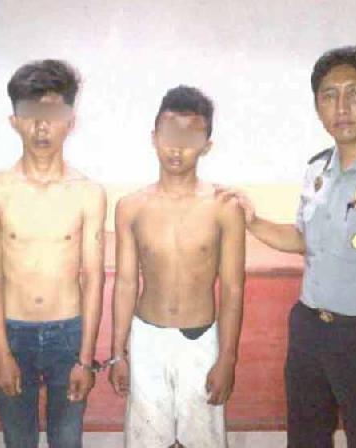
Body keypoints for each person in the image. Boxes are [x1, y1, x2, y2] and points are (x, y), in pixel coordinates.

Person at [228, 46, 356, 447]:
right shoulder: (318, 169)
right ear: (317, 105)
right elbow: (304, 240)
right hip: (309, 328)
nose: (341, 107)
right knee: (305, 439)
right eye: (329, 95)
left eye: (354, 93)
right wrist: (253, 222)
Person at [0, 59, 106, 448]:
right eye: (31, 114)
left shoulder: (88, 193)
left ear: (70, 121)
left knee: (67, 439)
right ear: (14, 121)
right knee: (18, 440)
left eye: (53, 114)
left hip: (68, 334)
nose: (42, 125)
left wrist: (85, 359)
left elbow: (93, 278)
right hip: (13, 332)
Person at [108, 85, 245, 448]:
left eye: (190, 137)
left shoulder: (223, 207)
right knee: (146, 440)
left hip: (201, 341)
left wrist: (227, 358)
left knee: (203, 441)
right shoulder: (131, 206)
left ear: (206, 145)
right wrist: (117, 352)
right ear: (154, 137)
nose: (177, 147)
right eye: (169, 134)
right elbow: (125, 283)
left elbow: (233, 288)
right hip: (146, 338)